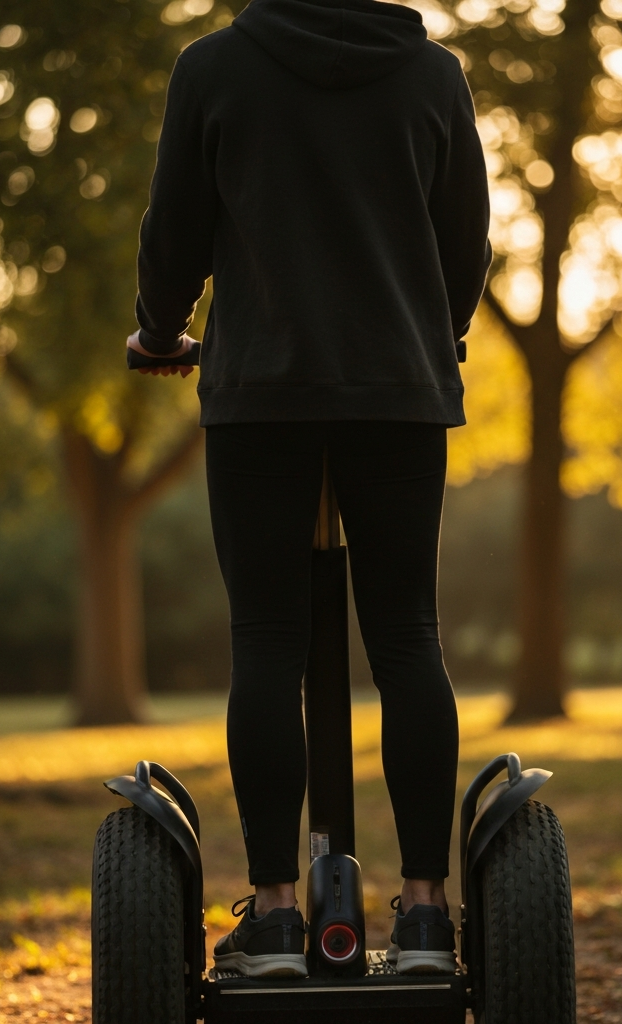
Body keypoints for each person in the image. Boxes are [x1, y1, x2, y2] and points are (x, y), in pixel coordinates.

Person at [128, 0, 490, 979]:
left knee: (265, 641)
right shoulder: (434, 78)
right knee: (409, 636)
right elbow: (466, 248)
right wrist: (426, 341)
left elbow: (176, 236)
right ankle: (424, 919)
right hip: (399, 392)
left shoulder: (214, 69)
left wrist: (159, 334)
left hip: (262, 394)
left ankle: (279, 919)